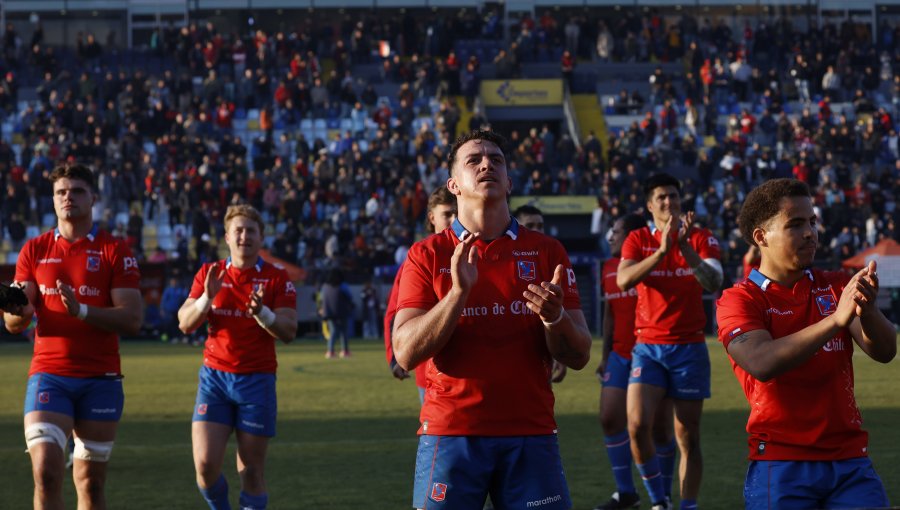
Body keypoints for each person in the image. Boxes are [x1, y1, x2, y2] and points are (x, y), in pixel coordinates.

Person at [393, 130, 592, 509]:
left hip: (530, 434)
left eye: (496, 160)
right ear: (453, 184)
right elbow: (405, 353)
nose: (487, 164)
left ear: (509, 181)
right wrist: (457, 294)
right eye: (474, 160)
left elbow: (579, 354)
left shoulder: (547, 251)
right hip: (452, 435)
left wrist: (555, 318)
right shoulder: (427, 254)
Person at [716, 178, 895, 509]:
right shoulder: (738, 299)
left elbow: (884, 351)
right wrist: (834, 321)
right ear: (761, 237)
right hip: (781, 463)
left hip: (850, 462)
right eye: (795, 225)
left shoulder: (835, 286)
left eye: (812, 221)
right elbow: (761, 361)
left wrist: (868, 312)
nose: (811, 232)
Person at [1, 162, 143, 509]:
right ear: (52, 201)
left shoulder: (115, 250)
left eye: (77, 191)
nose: (69, 198)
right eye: (61, 192)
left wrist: (80, 311)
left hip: (101, 378)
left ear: (93, 197)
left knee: (90, 484)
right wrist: (18, 311)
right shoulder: (34, 250)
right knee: (47, 473)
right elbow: (14, 322)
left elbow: (133, 319)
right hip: (50, 376)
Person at [177, 204, 298, 510]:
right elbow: (184, 322)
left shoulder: (276, 278)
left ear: (261, 237)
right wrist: (207, 297)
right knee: (205, 467)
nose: (244, 236)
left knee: (252, 472)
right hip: (215, 380)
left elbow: (289, 330)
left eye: (251, 231)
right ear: (227, 237)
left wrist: (262, 314)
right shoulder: (210, 273)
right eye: (238, 230)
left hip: (256, 381)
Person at [616, 173, 723, 510]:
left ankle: (687, 505)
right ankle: (658, 501)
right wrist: (662, 251)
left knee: (687, 435)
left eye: (673, 196)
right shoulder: (636, 239)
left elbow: (714, 282)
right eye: (661, 197)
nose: (668, 202)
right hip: (648, 347)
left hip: (689, 348)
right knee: (636, 426)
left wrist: (684, 247)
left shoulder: (702, 237)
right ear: (650, 206)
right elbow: (623, 280)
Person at [595, 214, 675, 510]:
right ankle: (626, 493)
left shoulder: (650, 264)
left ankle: (662, 498)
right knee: (609, 418)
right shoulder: (607, 267)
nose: (610, 237)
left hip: (652, 353)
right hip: (619, 354)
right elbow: (610, 314)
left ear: (631, 236)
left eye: (615, 231)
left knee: (659, 431)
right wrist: (604, 357)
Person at [383, 186, 457, 403]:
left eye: (457, 213)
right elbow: (393, 313)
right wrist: (394, 357)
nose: (453, 220)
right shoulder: (419, 258)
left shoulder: (474, 252)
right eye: (447, 214)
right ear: (432, 217)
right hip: (429, 370)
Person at [513, 204, 566, 384]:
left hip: (540, 353)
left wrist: (559, 352)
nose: (537, 230)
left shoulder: (551, 257)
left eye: (540, 226)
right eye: (530, 225)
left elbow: (560, 312)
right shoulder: (506, 256)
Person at [319, 268, 354, 358]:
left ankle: (330, 351)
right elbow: (350, 297)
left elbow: (322, 299)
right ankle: (345, 351)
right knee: (344, 332)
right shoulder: (343, 286)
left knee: (333, 331)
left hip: (329, 313)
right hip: (342, 311)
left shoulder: (325, 287)